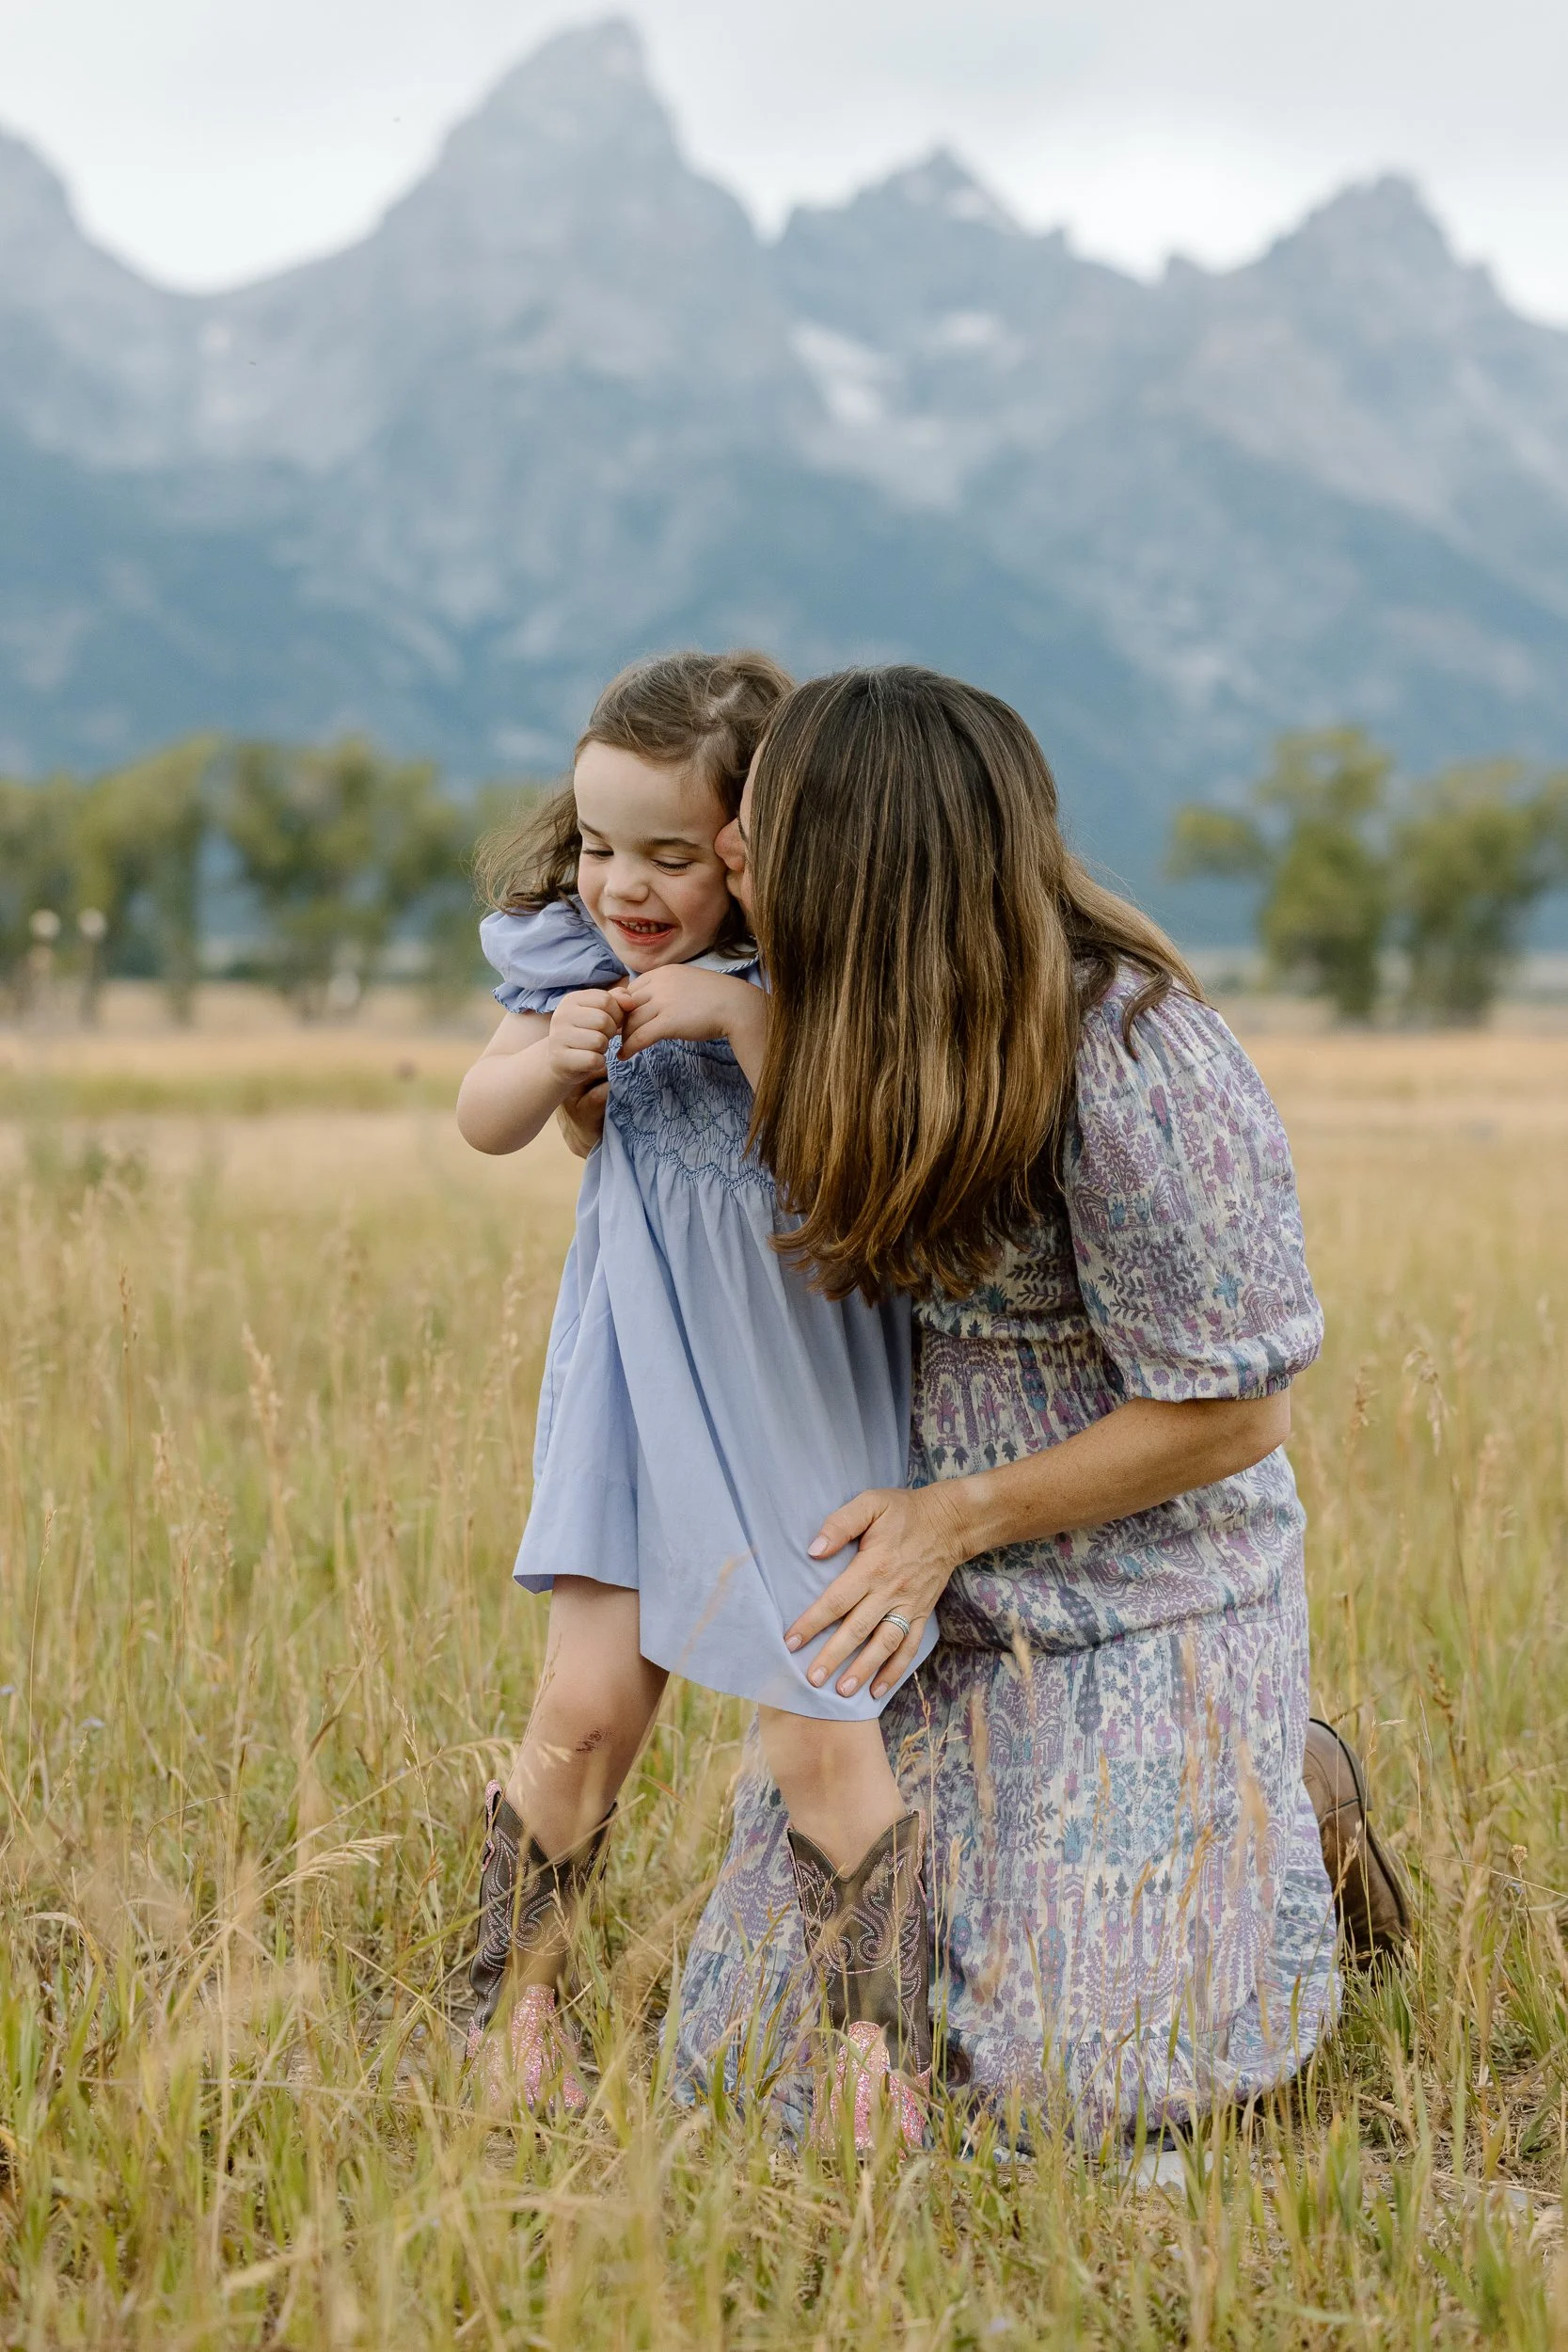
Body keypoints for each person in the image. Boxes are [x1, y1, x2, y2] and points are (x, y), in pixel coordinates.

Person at [667, 664, 1407, 2142]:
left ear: (863, 860)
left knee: (1073, 2081)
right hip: (922, 1603)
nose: (729, 845)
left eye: (761, 823)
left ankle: (1293, 1786)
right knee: (755, 2069)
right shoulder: (829, 1009)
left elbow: (1237, 1413)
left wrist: (955, 1518)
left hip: (1140, 1589)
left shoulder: (1133, 1055)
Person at [454, 651, 939, 2143]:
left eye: (669, 853)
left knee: (816, 1730)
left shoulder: (813, 980)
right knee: (584, 1709)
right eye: (599, 846)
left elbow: (859, 1142)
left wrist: (735, 1021)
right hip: (633, 1377)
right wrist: (554, 1062)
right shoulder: (568, 965)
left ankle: (879, 2059)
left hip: (793, 1389)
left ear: (753, 842)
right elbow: (483, 1120)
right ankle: (506, 2011)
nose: (624, 885)